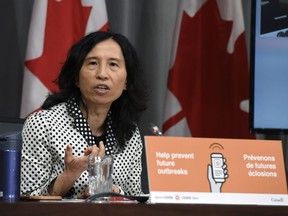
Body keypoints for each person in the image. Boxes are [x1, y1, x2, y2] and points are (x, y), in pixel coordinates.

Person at [20, 31, 148, 198]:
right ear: (76, 78)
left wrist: (116, 193)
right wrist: (69, 176)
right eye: (93, 63)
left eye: (113, 65)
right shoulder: (43, 124)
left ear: (126, 82)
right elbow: (25, 198)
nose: (102, 74)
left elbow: (135, 197)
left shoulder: (130, 132)